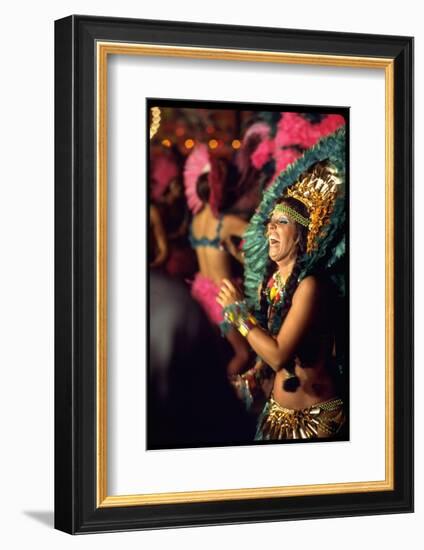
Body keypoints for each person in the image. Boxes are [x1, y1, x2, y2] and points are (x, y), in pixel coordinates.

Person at [217, 128, 347, 440]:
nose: (270, 228)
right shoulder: (273, 284)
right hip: (275, 414)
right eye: (270, 223)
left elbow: (279, 354)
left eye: (282, 222)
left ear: (302, 236)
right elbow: (269, 357)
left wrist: (238, 315)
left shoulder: (310, 287)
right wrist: (255, 375)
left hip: (315, 422)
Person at [148, 271, 256, 449]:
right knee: (242, 353)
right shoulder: (171, 304)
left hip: (202, 287)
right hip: (222, 292)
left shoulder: (163, 297)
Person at [184, 144, 252, 376]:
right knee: (243, 355)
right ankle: (220, 398)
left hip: (199, 294)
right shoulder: (226, 222)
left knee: (209, 356)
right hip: (223, 299)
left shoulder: (195, 222)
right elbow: (263, 234)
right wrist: (238, 255)